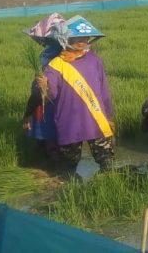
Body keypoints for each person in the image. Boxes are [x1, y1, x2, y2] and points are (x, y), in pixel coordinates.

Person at [38, 15, 116, 175]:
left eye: (85, 37)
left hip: (96, 117)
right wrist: (42, 87)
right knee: (69, 166)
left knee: (107, 162)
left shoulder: (94, 60)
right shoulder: (55, 65)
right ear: (66, 38)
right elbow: (51, 95)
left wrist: (108, 116)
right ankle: (71, 193)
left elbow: (104, 90)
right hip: (70, 120)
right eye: (76, 37)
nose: (81, 41)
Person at [21, 13, 66, 166]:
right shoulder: (68, 55)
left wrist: (27, 115)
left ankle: (52, 172)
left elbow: (38, 92)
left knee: (49, 144)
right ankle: (61, 174)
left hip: (46, 108)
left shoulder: (48, 57)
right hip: (64, 107)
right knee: (59, 143)